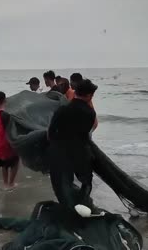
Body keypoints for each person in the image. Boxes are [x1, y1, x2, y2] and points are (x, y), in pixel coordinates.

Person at [47, 79, 99, 215]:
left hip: (59, 152)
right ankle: (83, 204)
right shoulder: (90, 113)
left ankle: (69, 208)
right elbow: (86, 134)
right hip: (80, 152)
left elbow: (51, 133)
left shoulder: (62, 109)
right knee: (86, 180)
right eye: (92, 95)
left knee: (64, 182)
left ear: (75, 92)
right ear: (89, 95)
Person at [0, 92, 19, 189]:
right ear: (5, 100)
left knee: (4, 165)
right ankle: (11, 183)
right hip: (7, 143)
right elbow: (10, 130)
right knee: (15, 163)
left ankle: (5, 184)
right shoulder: (6, 115)